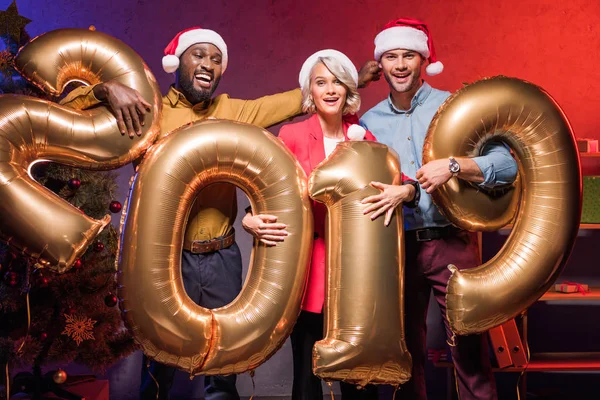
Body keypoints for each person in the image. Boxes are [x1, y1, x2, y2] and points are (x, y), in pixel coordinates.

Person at [61, 26, 378, 400]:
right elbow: (63, 117)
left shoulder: (232, 111)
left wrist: (350, 76)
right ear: (175, 62)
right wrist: (103, 90)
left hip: (222, 256)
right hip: (163, 258)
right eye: (199, 55)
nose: (208, 64)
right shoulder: (149, 110)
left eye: (216, 59)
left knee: (223, 367)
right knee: (158, 363)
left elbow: (301, 97)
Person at [360, 18, 518, 400]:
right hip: (396, 246)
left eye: (408, 56)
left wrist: (454, 165)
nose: (399, 65)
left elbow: (508, 168)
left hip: (452, 242)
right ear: (380, 65)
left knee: (469, 348)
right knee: (403, 350)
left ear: (424, 60)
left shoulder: (454, 107)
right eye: (391, 57)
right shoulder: (368, 122)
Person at [257, 49, 417, 400]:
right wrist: (250, 218)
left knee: (359, 379)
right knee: (306, 374)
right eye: (321, 82)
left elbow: (396, 178)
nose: (330, 90)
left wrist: (406, 189)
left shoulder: (362, 136)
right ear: (310, 92)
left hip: (359, 276)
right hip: (309, 268)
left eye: (338, 82)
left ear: (348, 90)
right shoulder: (293, 135)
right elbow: (269, 191)